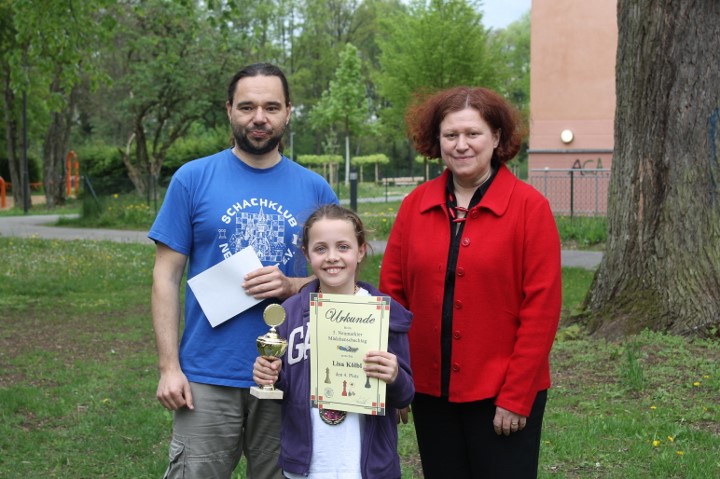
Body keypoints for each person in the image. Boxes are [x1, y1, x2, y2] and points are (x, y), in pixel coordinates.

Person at [149, 63, 338, 479]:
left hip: (290, 372)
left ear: (288, 111)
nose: (259, 118)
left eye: (271, 107)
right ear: (229, 110)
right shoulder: (192, 179)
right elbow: (165, 276)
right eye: (247, 106)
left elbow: (339, 279)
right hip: (207, 373)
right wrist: (169, 368)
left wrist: (292, 284)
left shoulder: (315, 189)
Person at [378, 86, 562, 478]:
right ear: (438, 141)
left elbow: (542, 311)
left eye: (473, 133)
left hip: (501, 392)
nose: (461, 145)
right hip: (429, 390)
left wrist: (517, 395)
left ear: (496, 138)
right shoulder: (414, 206)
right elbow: (393, 300)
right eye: (451, 135)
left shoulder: (530, 208)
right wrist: (397, 382)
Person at [253, 204, 414, 479]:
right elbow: (287, 391)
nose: (332, 257)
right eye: (320, 248)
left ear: (360, 250)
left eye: (343, 247)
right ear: (307, 254)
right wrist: (271, 376)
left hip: (366, 466)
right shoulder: (291, 314)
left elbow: (405, 394)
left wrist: (394, 375)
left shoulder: (386, 314)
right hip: (309, 464)